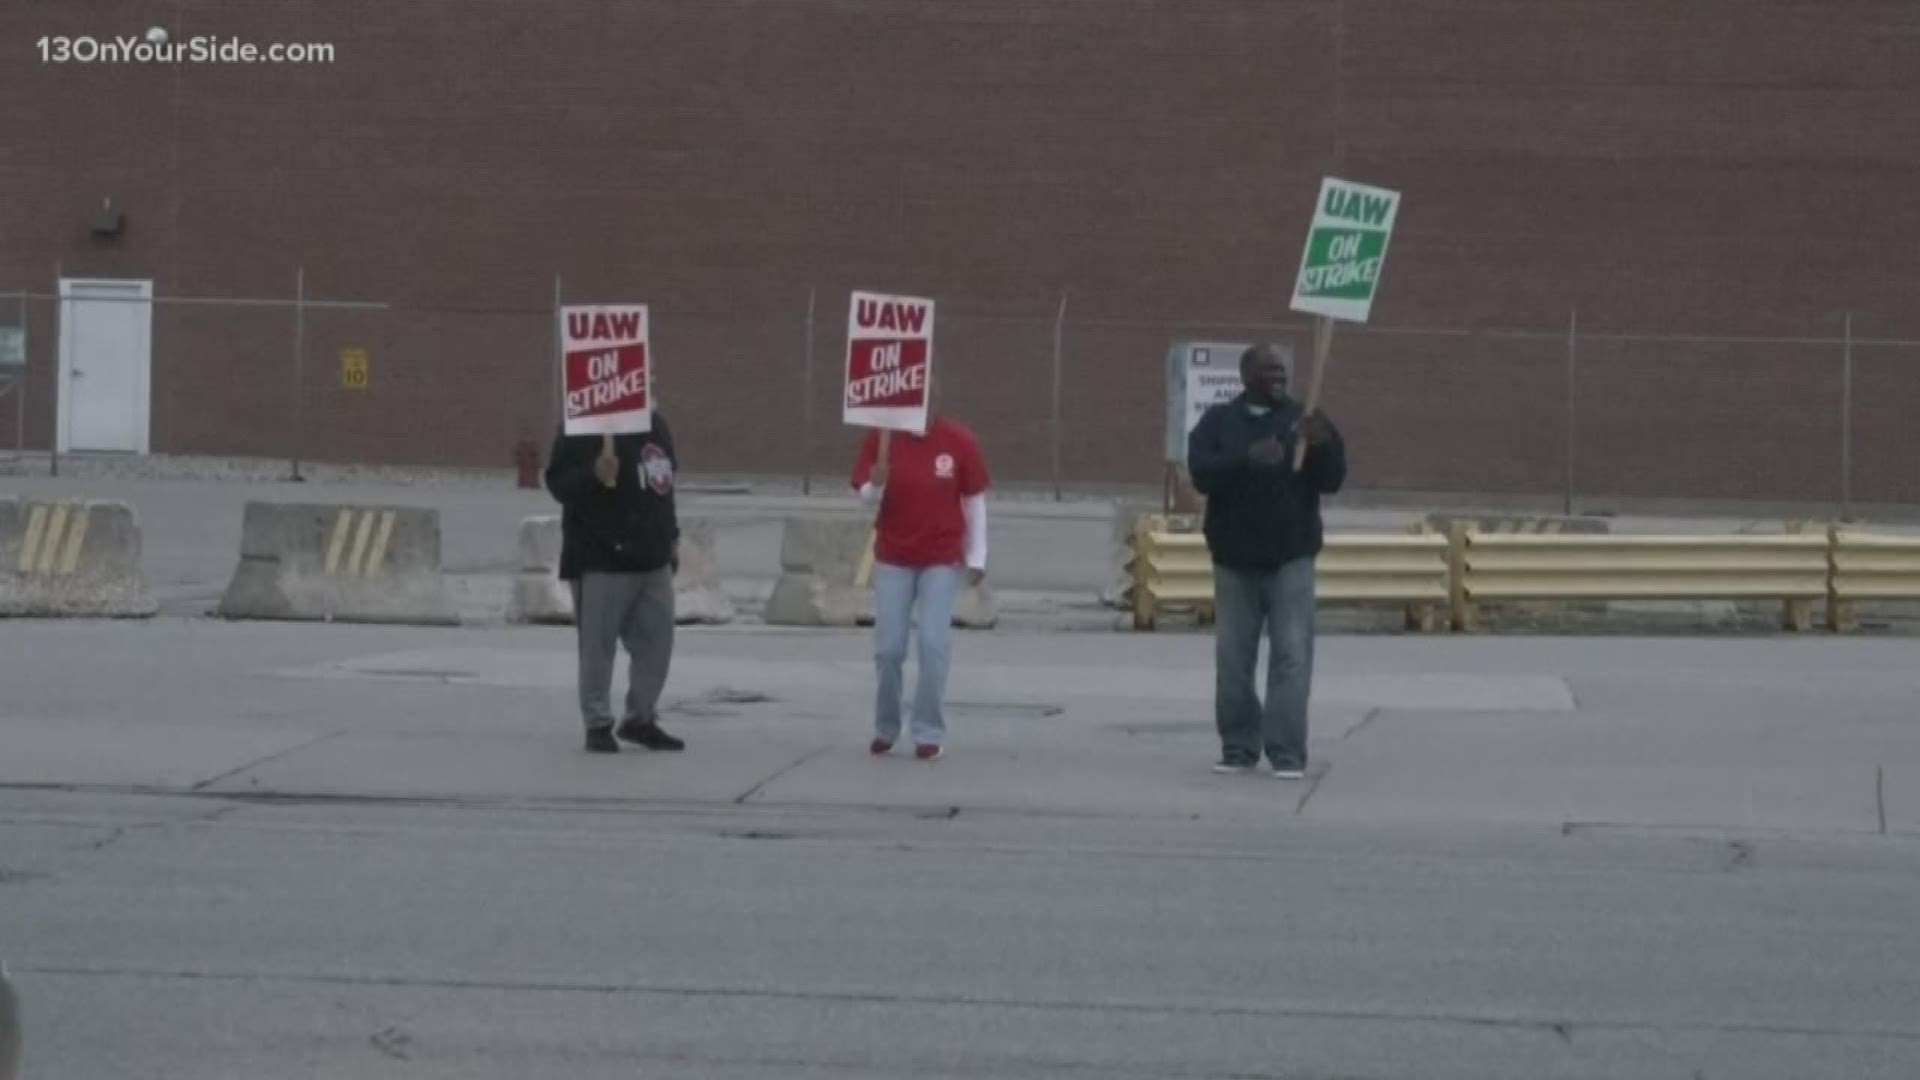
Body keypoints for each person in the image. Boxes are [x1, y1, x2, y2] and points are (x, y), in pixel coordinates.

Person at [1186, 343, 1346, 779]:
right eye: (1269, 370)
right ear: (1246, 376)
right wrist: (1246, 460)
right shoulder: (1219, 422)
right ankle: (1238, 747)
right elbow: (1201, 472)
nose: (1278, 377)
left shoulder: (1304, 419)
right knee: (1234, 660)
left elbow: (1332, 482)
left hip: (1290, 557)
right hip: (1234, 559)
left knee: (1292, 657)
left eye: (1282, 370)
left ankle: (1287, 751)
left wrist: (1325, 443)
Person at [849, 416, 990, 761]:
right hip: (894, 557)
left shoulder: (958, 439)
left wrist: (977, 557)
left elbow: (974, 501)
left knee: (932, 642)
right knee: (889, 649)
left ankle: (928, 730)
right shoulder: (882, 436)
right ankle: (886, 726)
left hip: (941, 558)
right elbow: (867, 499)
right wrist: (876, 484)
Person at [544, 414, 686, 755]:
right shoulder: (582, 426)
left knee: (656, 644)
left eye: (650, 372)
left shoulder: (655, 425)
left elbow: (663, 487)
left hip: (653, 557)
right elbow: (559, 485)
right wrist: (594, 474)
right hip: (600, 559)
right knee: (598, 647)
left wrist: (671, 537)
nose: (649, 378)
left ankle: (640, 717)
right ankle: (597, 722)